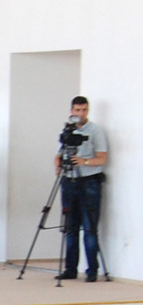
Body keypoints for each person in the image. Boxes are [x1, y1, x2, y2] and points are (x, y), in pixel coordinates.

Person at [54, 96, 107, 282]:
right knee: (70, 228)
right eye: (77, 110)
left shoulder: (95, 131)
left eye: (84, 110)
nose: (80, 113)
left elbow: (102, 158)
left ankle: (92, 270)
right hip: (69, 181)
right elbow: (58, 154)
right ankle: (70, 269)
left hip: (89, 181)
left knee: (90, 227)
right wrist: (58, 164)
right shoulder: (66, 130)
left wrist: (84, 161)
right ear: (71, 111)